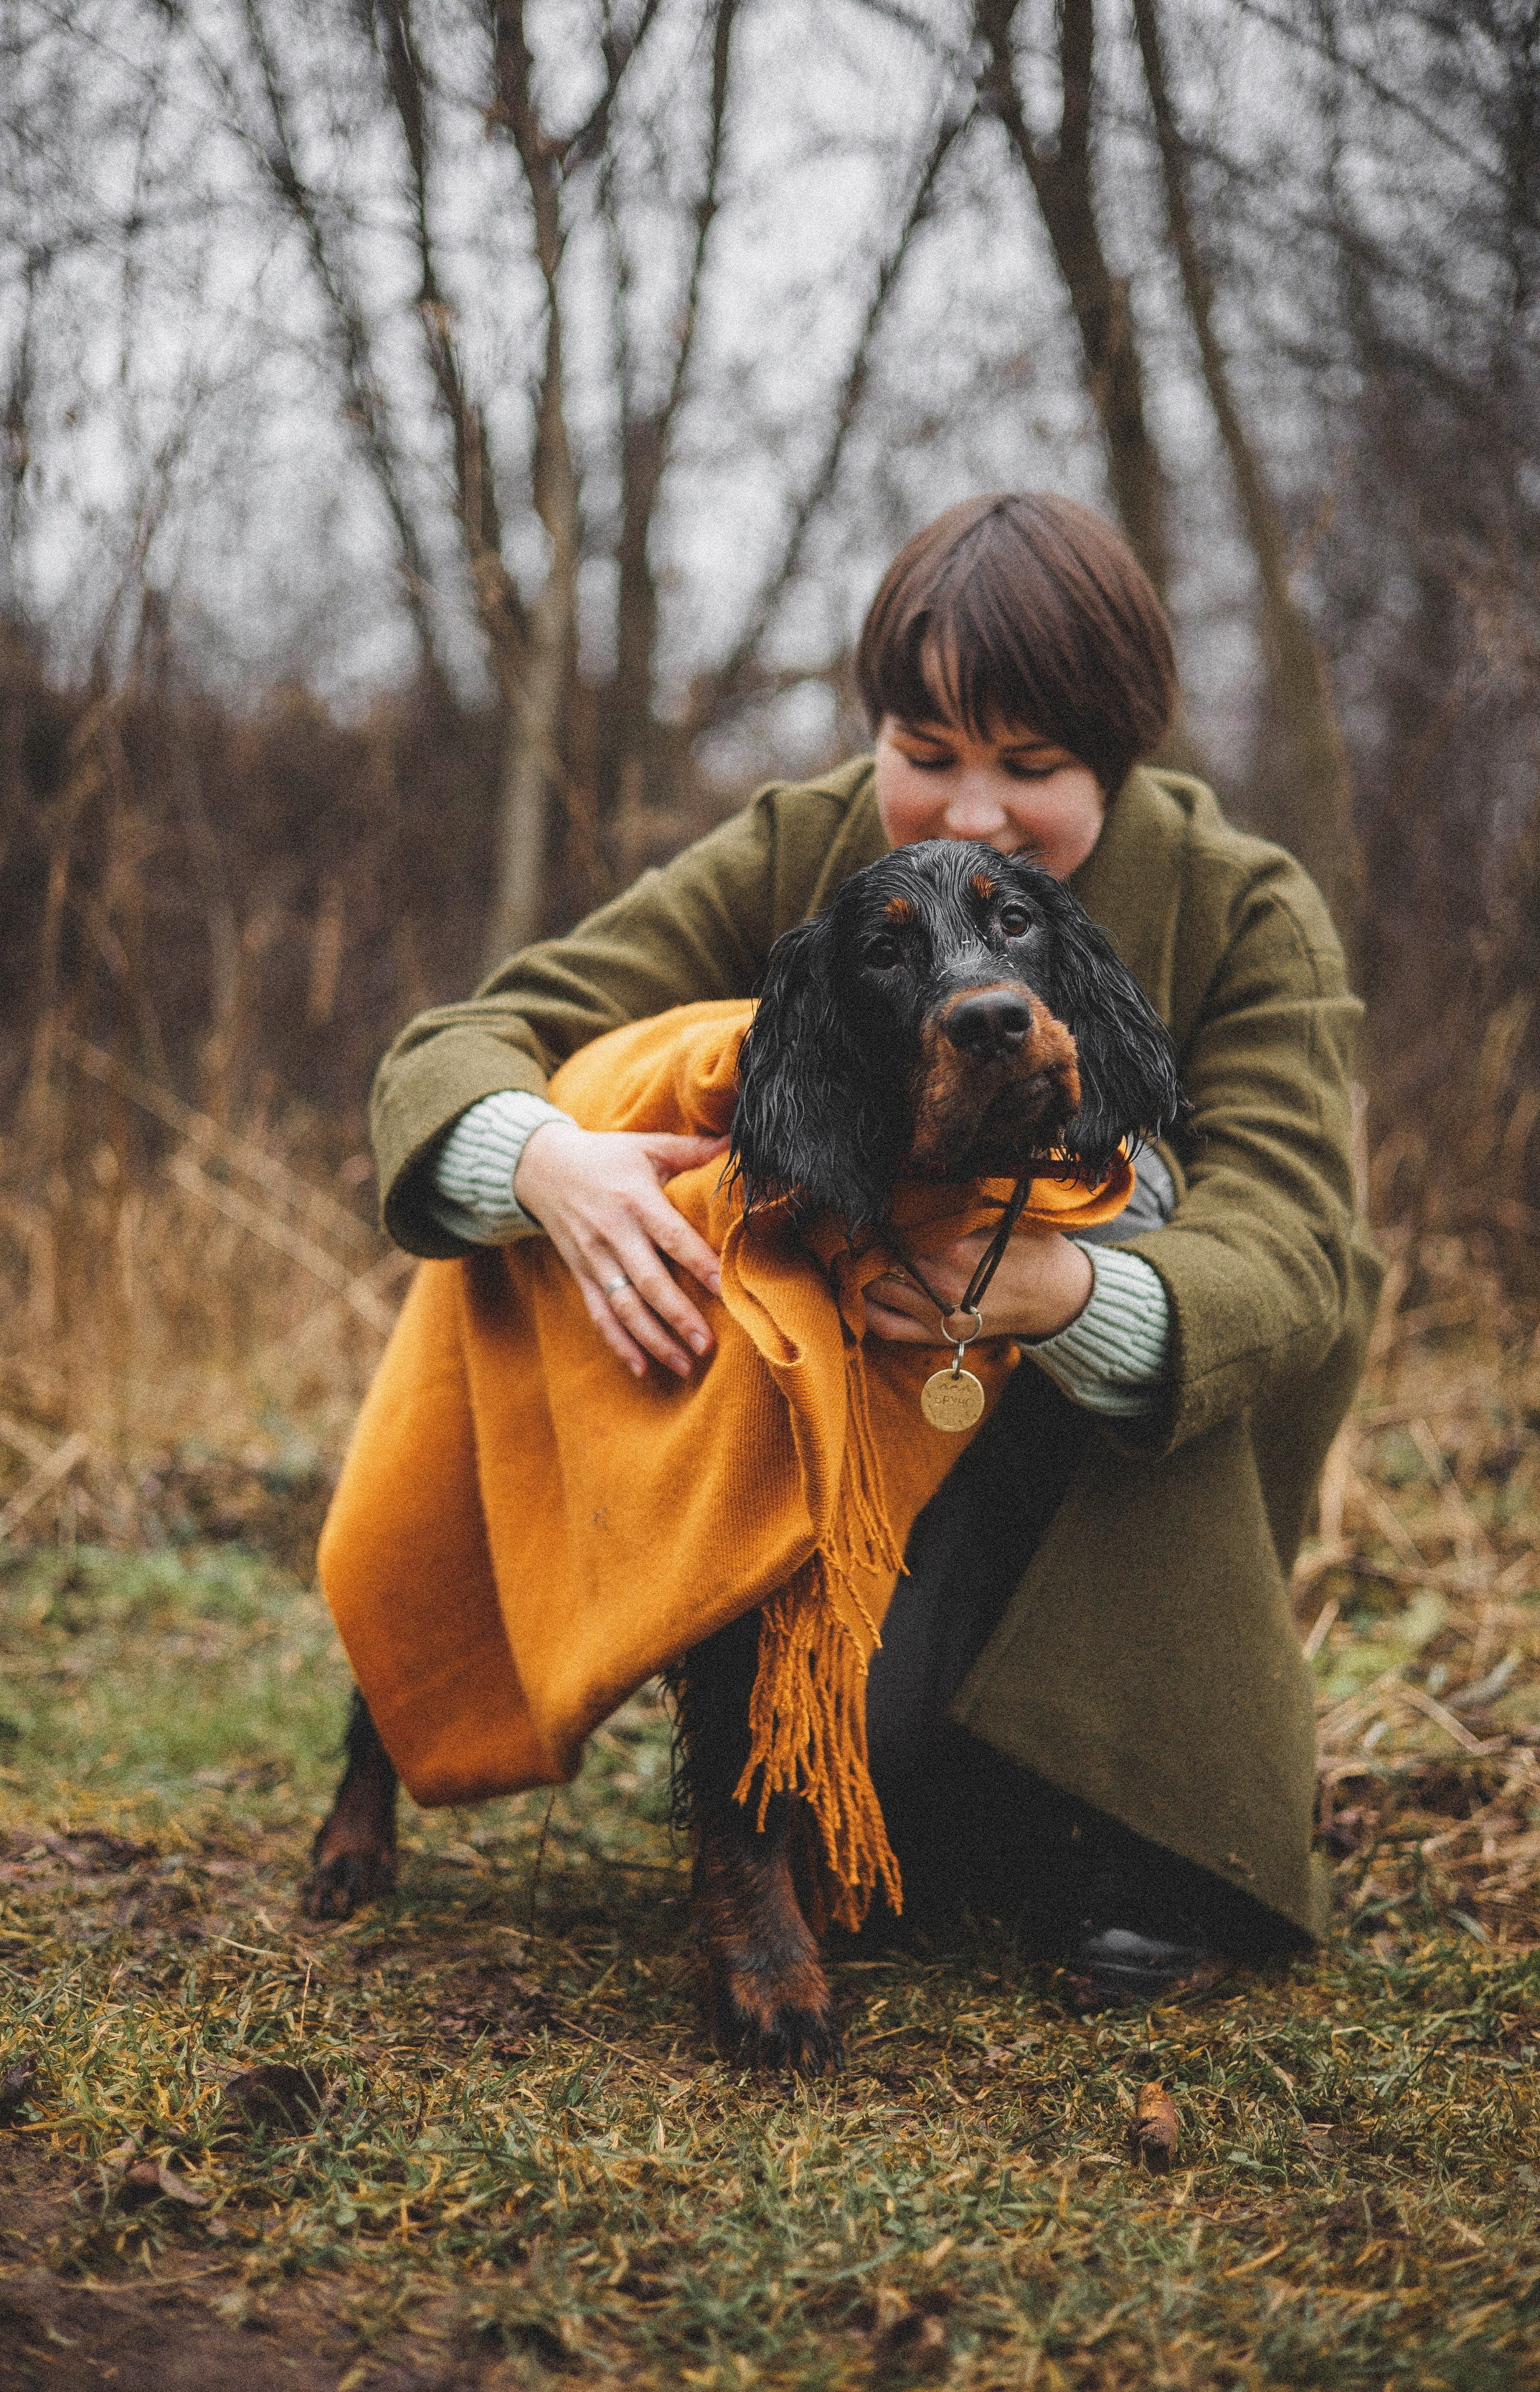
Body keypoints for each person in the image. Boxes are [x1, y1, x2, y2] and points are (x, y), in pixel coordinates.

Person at [369, 491, 1381, 2005]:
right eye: (926, 756)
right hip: (872, 1436)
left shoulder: (1246, 910)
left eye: (1028, 769)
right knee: (894, 1799)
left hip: (1121, 1475)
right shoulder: (806, 845)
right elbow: (470, 1037)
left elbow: (1297, 1245)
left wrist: (1068, 1291)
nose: (967, 811)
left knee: (1194, 1337)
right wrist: (549, 1162)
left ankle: (1160, 1836)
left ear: (1119, 753)